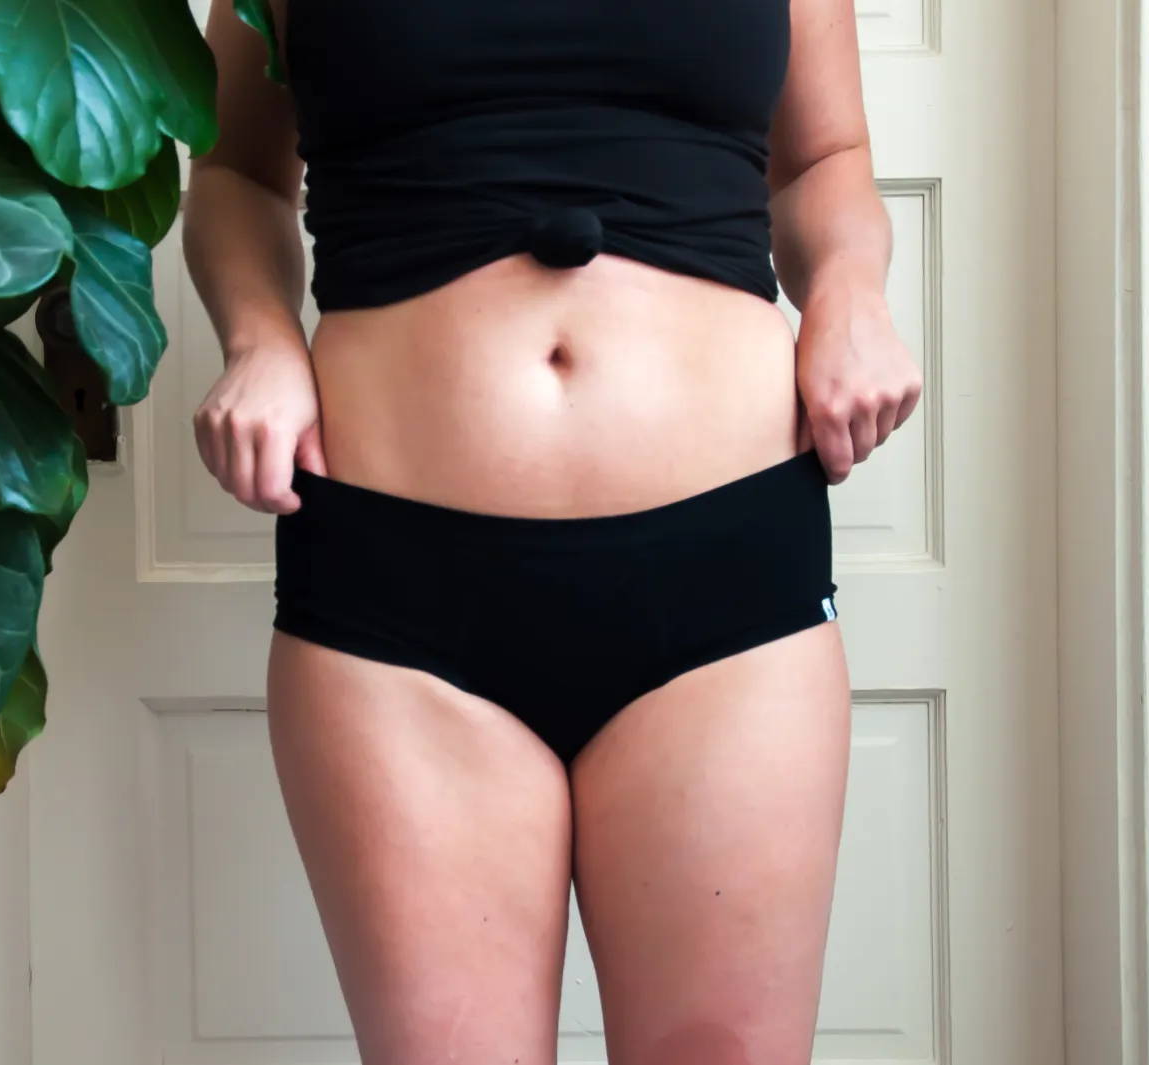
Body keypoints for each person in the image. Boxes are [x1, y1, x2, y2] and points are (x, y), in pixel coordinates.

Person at [182, 0, 920, 1060]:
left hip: (727, 584)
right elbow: (238, 174)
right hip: (395, 598)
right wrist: (258, 340)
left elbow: (825, 158)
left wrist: (852, 295)